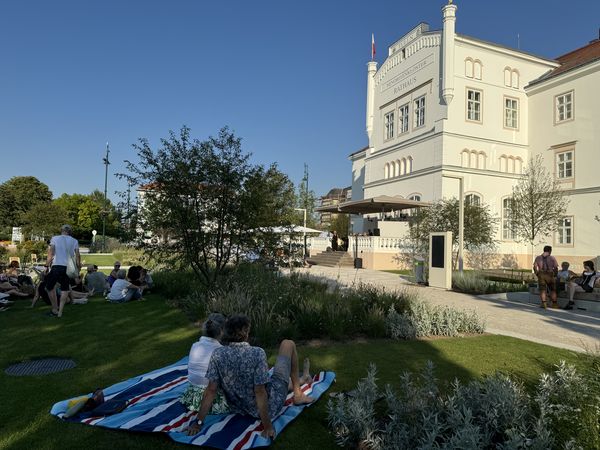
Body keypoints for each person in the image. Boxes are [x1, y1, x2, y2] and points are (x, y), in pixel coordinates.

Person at [186, 314, 313, 438]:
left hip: (240, 408)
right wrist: (268, 426)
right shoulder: (257, 353)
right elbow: (260, 392)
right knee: (287, 343)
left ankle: (302, 380)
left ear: (227, 332)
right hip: (270, 405)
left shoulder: (218, 354)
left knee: (269, 378)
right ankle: (298, 394)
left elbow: (211, 390)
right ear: (246, 332)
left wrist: (198, 423)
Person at [180, 313, 229, 413]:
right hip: (212, 398)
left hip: (194, 395)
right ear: (222, 331)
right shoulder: (222, 351)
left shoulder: (195, 345)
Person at [45, 224, 81, 317]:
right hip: (68, 268)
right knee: (65, 289)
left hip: (57, 266)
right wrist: (78, 268)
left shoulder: (55, 239)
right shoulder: (74, 241)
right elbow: (77, 256)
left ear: (62, 230)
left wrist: (46, 264)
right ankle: (60, 311)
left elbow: (51, 253)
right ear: (70, 231)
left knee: (49, 287)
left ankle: (54, 309)